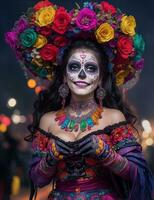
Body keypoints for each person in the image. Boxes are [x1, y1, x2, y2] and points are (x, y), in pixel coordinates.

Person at [5, 1, 154, 199]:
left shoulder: (114, 117)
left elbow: (138, 174)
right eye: (74, 67)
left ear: (100, 78)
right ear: (64, 76)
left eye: (91, 68)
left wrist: (105, 153)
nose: (82, 74)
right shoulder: (47, 121)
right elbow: (37, 179)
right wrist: (51, 157)